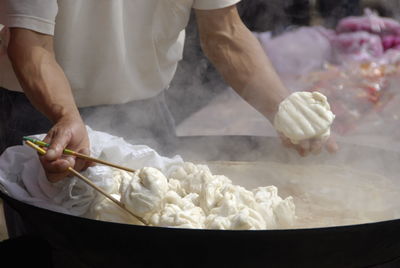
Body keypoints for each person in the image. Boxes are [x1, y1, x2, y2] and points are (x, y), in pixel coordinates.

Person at [0, 0, 336, 237]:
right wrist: (65, 114)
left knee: (167, 237)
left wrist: (285, 111)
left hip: (146, 113)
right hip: (46, 114)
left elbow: (225, 33)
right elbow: (29, 43)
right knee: (58, 252)